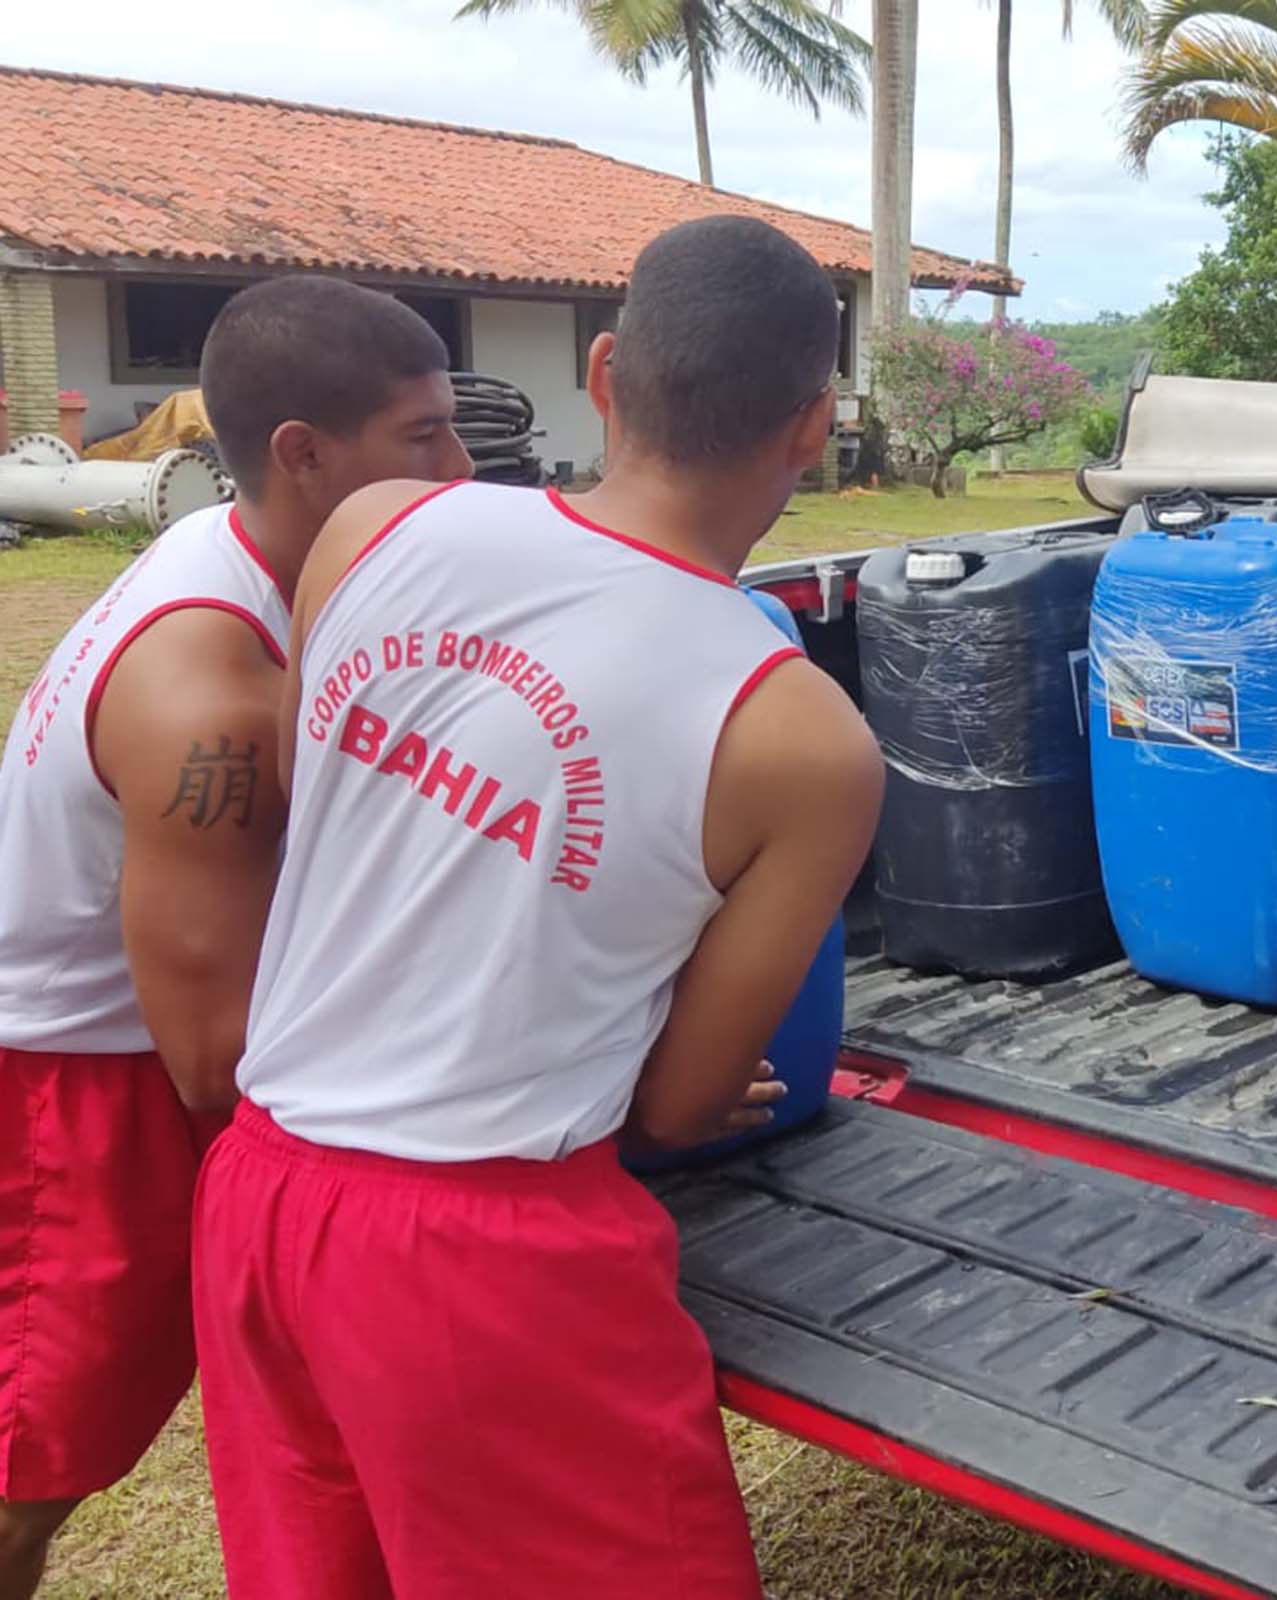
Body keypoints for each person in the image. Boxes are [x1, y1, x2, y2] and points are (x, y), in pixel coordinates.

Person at [189, 215, 883, 1599]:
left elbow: (324, 790)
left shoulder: (378, 524)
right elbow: (682, 1107)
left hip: (263, 1200)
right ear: (812, 431)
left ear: (607, 372)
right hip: (479, 1266)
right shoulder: (802, 740)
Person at [0, 276, 466, 1598]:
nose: (461, 465)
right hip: (75, 1090)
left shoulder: (261, 563)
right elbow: (225, 1060)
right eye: (422, 435)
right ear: (303, 457)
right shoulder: (215, 691)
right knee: (32, 1474)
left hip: (121, 1057)